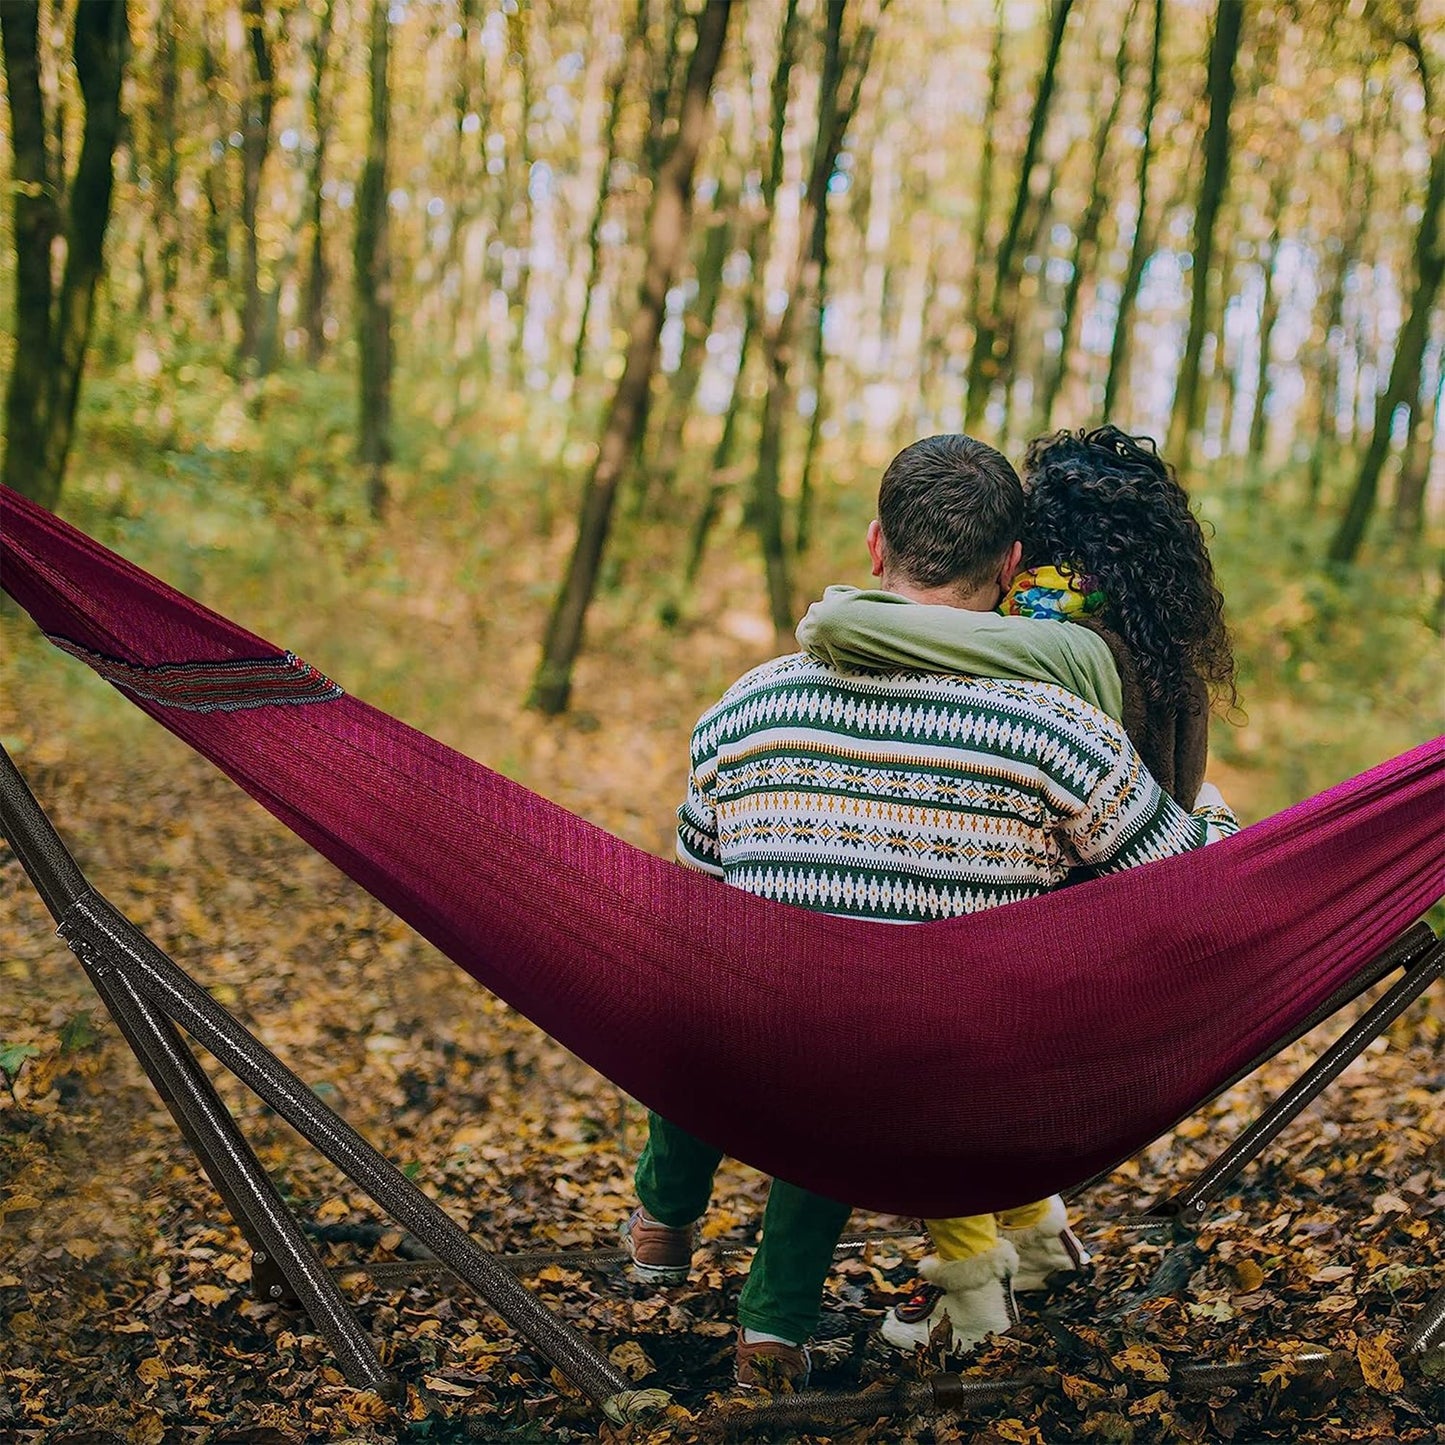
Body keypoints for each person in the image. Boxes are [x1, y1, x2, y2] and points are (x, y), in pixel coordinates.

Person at [620, 433, 1238, 1389]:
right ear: (1010, 565)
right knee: (856, 1033)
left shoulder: (743, 707)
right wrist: (1214, 813)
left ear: (876, 544)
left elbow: (698, 901)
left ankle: (668, 1222)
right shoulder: (1060, 729)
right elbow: (1180, 883)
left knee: (760, 992)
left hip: (759, 1054)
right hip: (949, 1088)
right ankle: (770, 1328)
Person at [797, 425, 1237, 1355]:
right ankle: (1040, 1241)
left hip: (1058, 963)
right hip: (1131, 944)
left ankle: (973, 1300)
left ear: (1026, 549)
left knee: (928, 946)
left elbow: (851, 628)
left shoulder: (1054, 646)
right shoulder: (1160, 655)